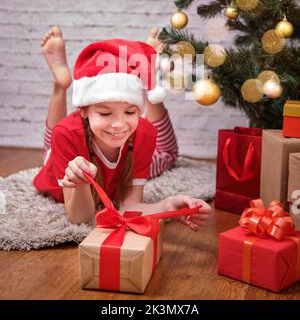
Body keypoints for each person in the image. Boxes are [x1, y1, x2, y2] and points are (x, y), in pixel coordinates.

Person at [33, 26, 211, 229]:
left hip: (92, 143)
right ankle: (60, 85)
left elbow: (131, 206)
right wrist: (81, 183)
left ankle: (145, 73)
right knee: (50, 151)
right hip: (67, 145)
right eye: (105, 113)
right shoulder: (67, 134)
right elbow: (80, 218)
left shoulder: (143, 132)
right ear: (83, 110)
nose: (118, 124)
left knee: (167, 154)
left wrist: (168, 205)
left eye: (130, 112)